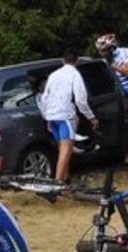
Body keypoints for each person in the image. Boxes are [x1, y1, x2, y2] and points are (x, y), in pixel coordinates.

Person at [41, 50, 99, 183]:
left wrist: (46, 114)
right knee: (65, 152)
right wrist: (91, 118)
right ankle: (57, 184)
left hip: (51, 117)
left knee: (62, 150)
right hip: (65, 116)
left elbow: (45, 97)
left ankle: (66, 181)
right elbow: (80, 100)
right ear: (77, 61)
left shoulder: (53, 75)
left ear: (63, 60)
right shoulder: (75, 75)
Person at [96, 33, 128, 167]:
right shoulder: (106, 61)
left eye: (103, 50)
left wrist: (115, 67)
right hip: (125, 97)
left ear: (111, 48)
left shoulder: (124, 52)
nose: (101, 53)